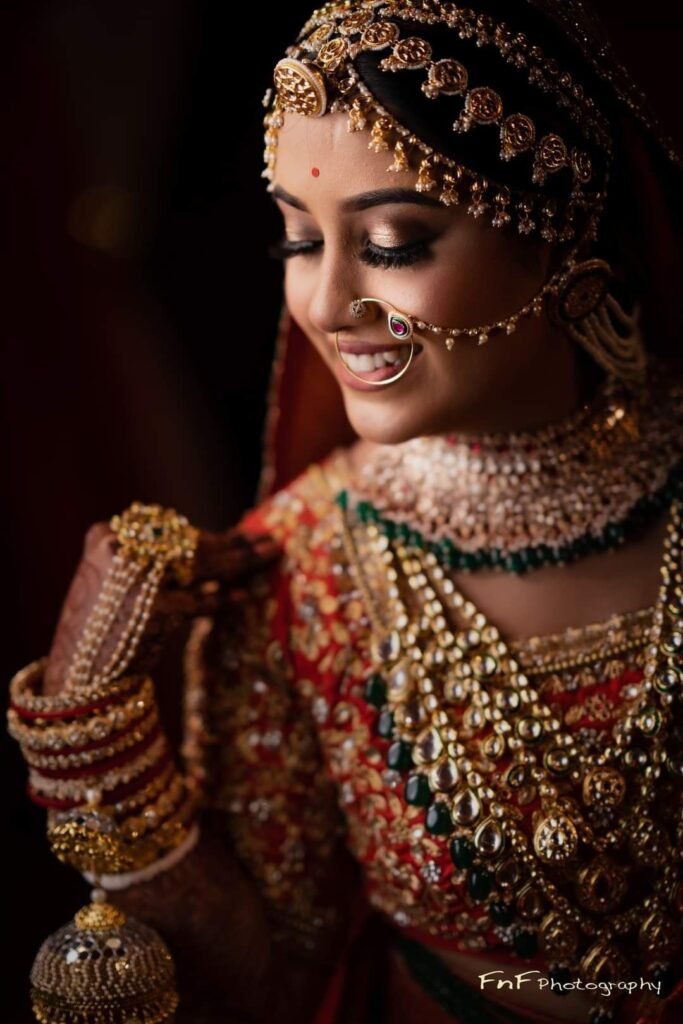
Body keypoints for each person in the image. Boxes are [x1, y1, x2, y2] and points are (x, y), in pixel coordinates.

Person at [7, 2, 683, 1023]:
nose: (325, 304)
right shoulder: (299, 577)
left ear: (559, 240)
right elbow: (272, 986)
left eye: (394, 243)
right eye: (297, 239)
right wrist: (96, 745)